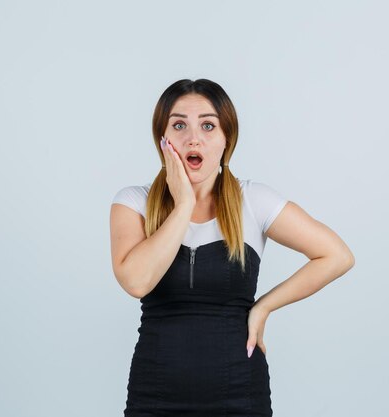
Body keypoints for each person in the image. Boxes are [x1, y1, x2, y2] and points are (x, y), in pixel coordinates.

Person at [109, 78, 355, 416]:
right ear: (163, 140)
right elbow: (136, 282)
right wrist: (182, 206)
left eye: (208, 126)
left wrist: (264, 306)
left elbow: (337, 255)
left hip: (239, 396)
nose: (193, 137)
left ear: (227, 140)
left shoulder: (253, 201)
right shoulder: (133, 202)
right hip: (155, 397)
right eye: (179, 125)